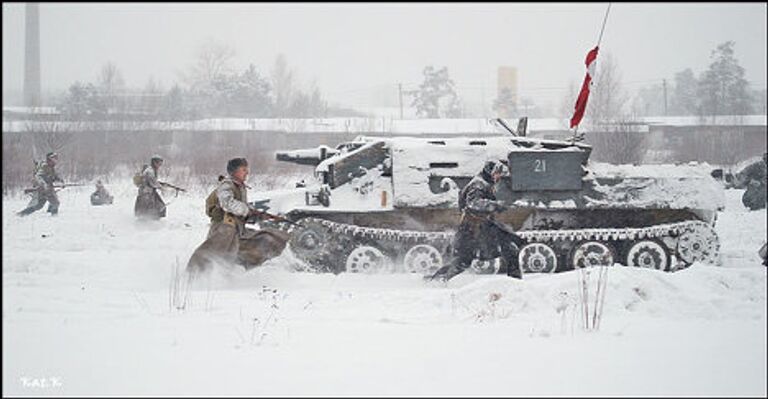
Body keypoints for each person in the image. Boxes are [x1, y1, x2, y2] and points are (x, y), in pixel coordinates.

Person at [186, 158, 289, 276]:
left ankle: (231, 276)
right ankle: (191, 278)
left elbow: (241, 214)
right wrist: (247, 210)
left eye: (247, 169)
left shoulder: (240, 187)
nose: (247, 172)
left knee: (269, 239)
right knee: (209, 257)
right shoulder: (226, 185)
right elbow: (227, 203)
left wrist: (259, 216)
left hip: (236, 231)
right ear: (234, 172)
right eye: (243, 170)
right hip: (223, 230)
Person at [427, 160, 524, 282]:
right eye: (497, 173)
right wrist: (495, 205)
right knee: (463, 261)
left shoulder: (484, 182)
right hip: (474, 227)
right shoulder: (479, 184)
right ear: (490, 172)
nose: (498, 176)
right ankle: (437, 280)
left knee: (509, 248)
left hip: (479, 226)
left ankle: (514, 282)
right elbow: (473, 202)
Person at [18, 152, 63, 216]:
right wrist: (44, 184)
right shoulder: (44, 166)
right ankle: (54, 217)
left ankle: (22, 214)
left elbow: (55, 176)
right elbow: (38, 176)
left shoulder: (51, 167)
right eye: (54, 159)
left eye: (56, 159)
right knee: (52, 203)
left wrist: (61, 181)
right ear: (50, 159)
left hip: (47, 188)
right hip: (43, 189)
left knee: (42, 205)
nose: (56, 160)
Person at [134, 155, 167, 219]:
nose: (160, 165)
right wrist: (161, 187)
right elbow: (153, 183)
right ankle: (149, 223)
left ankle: (149, 221)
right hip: (146, 194)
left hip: (147, 193)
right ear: (155, 162)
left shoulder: (150, 170)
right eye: (159, 163)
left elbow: (150, 181)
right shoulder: (150, 171)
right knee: (154, 208)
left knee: (150, 208)